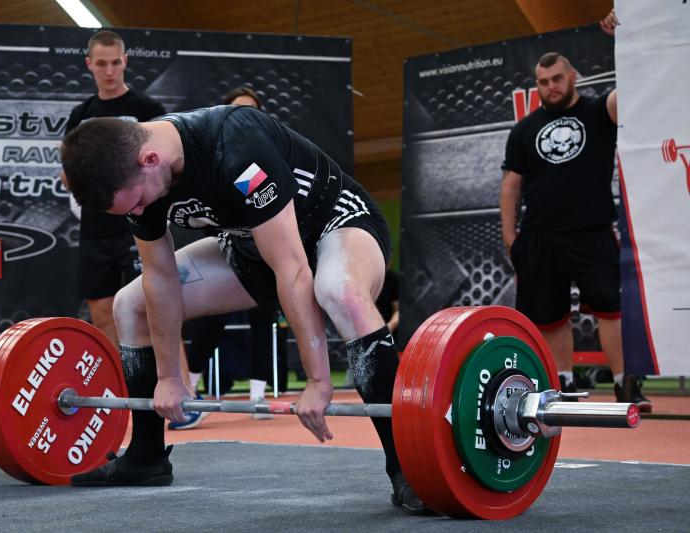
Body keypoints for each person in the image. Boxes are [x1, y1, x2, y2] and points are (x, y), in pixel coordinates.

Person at [60, 105, 427, 514]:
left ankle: (407, 466)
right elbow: (160, 278)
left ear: (149, 160)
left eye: (140, 202)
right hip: (252, 247)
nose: (140, 213)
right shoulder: (137, 179)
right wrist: (168, 377)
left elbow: (292, 269)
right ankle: (146, 458)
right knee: (130, 304)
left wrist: (318, 380)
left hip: (336, 225)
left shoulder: (236, 146)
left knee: (339, 291)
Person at [499, 10, 651, 412]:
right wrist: (510, 237)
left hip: (592, 229)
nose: (551, 87)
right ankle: (562, 384)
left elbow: (636, 86)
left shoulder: (600, 112)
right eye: (543, 82)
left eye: (557, 79)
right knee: (549, 317)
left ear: (572, 77)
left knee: (612, 310)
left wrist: (626, 36)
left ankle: (625, 384)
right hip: (539, 235)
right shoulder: (524, 130)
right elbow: (511, 184)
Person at [172, 85, 281, 430]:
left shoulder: (274, 151)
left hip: (267, 252)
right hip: (226, 250)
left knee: (264, 322)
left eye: (252, 111)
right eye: (238, 110)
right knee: (210, 321)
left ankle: (258, 398)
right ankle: (189, 391)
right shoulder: (214, 155)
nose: (245, 118)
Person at [65, 30, 166, 346]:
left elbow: (165, 165)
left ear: (125, 61)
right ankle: (116, 376)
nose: (109, 71)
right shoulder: (81, 115)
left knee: (155, 308)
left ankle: (171, 377)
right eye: (101, 63)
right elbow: (68, 175)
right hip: (96, 227)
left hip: (140, 225)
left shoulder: (147, 109)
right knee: (101, 311)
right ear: (89, 64)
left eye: (115, 63)